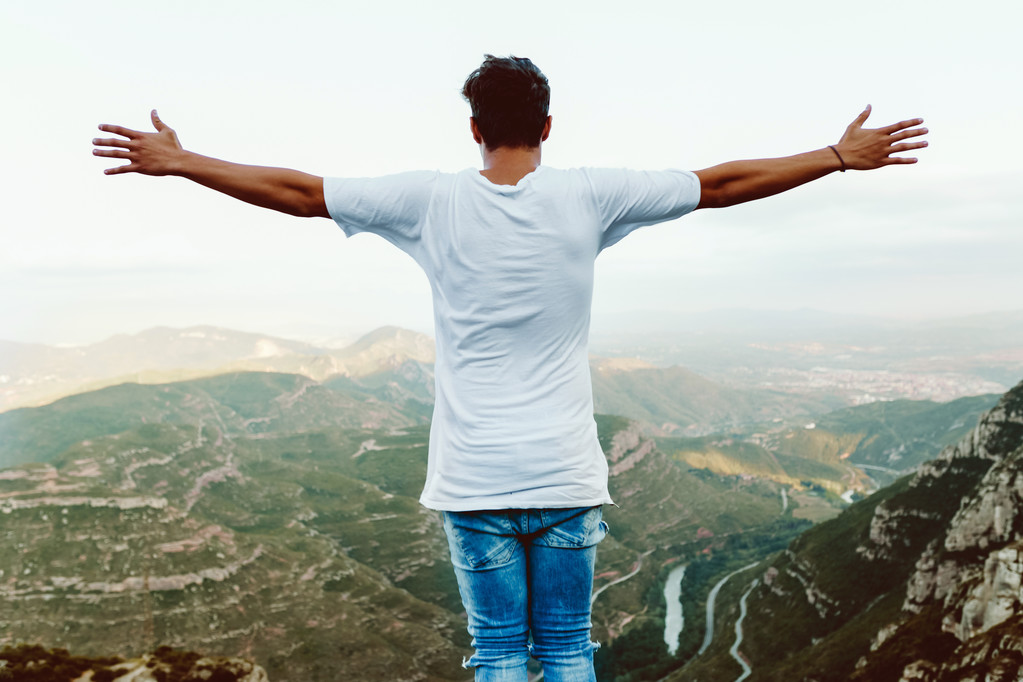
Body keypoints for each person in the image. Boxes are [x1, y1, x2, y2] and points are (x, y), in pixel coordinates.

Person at [92, 54, 927, 682]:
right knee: (565, 648)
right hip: (564, 476)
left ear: (472, 128)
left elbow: (302, 192)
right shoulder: (592, 194)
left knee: (497, 650)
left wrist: (186, 162)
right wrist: (833, 155)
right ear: (549, 126)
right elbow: (719, 183)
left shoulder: (427, 200)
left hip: (474, 480)